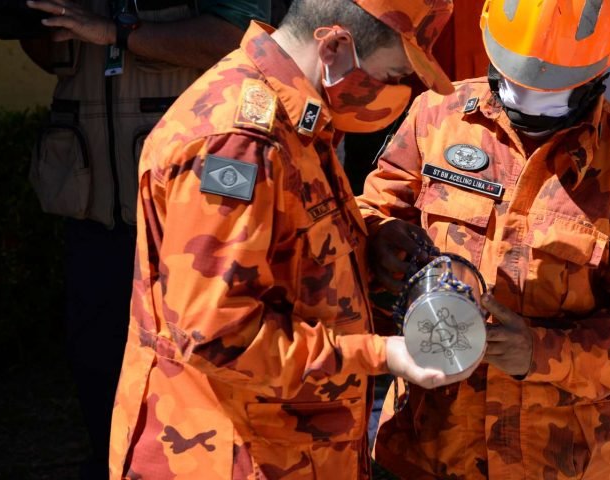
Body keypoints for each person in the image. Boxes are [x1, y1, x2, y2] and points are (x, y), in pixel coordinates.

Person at [105, 0, 467, 477]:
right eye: (393, 75)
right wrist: (385, 354)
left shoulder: (292, 113)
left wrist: (368, 238)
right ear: (336, 46)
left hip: (289, 447)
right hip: (232, 455)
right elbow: (216, 335)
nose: (396, 91)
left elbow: (283, 243)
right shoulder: (238, 142)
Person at [358, 0, 610, 477]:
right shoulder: (438, 117)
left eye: (550, 89)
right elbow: (376, 210)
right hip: (428, 447)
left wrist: (540, 351)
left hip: (565, 459)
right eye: (513, 79)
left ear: (599, 70)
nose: (524, 99)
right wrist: (384, 239)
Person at [16, 0, 265, 477]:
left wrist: (115, 31)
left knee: (198, 356)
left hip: (189, 211)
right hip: (91, 204)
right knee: (97, 358)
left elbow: (235, 37)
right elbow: (53, 59)